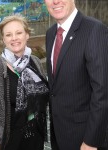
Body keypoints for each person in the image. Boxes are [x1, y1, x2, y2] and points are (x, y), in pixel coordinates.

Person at [44, 0, 108, 150]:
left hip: (85, 138)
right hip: (58, 134)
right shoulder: (50, 33)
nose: (55, 1)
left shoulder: (95, 30)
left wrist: (92, 141)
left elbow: (103, 91)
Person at [0, 14, 49, 150]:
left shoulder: (35, 61)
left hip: (35, 136)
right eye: (8, 34)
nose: (14, 38)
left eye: (19, 33)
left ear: (27, 35)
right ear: (3, 39)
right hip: (8, 140)